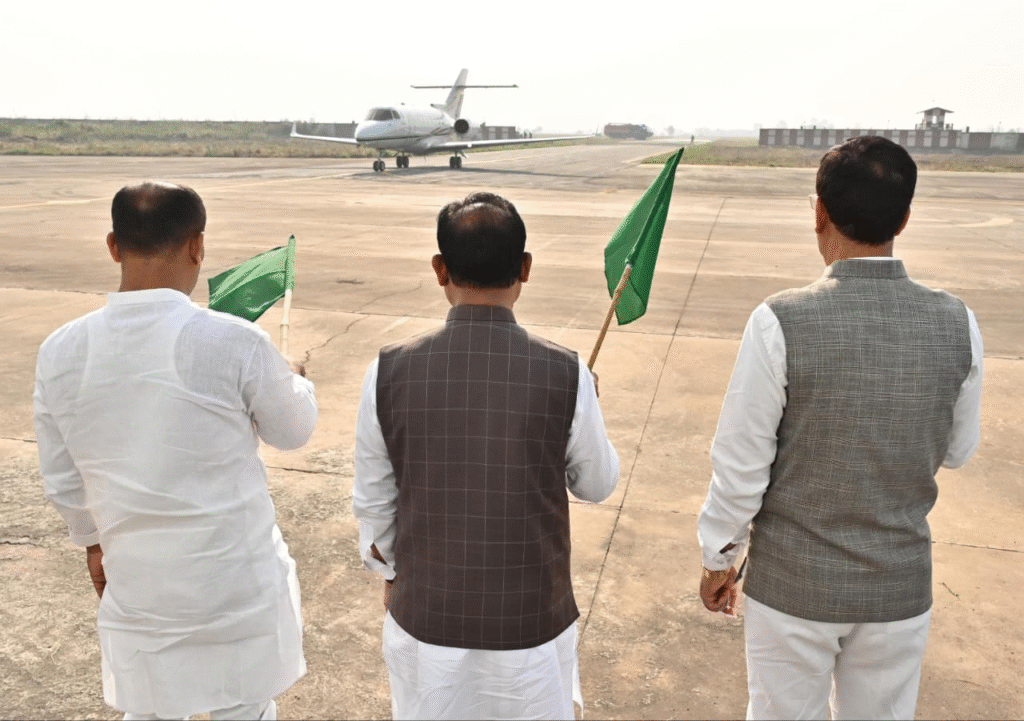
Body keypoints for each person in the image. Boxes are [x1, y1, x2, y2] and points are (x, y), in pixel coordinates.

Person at [697, 136, 983, 720]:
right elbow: (958, 451)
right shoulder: (959, 322)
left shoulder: (779, 320)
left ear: (819, 214)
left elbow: (740, 466)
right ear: (904, 218)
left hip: (792, 589)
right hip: (898, 589)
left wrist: (718, 556)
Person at [34, 182, 318, 720]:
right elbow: (293, 430)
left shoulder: (61, 350)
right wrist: (294, 376)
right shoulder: (235, 341)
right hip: (236, 582)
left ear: (114, 246)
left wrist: (91, 541)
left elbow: (62, 475)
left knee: (150, 708)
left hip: (139, 580)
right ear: (197, 247)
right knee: (245, 708)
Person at [353, 191, 619, 719]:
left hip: (427, 618)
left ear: (439, 269)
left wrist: (392, 576)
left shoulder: (388, 370)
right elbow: (597, 484)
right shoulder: (565, 372)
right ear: (525, 268)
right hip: (531, 626)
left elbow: (375, 502)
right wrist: (586, 402)